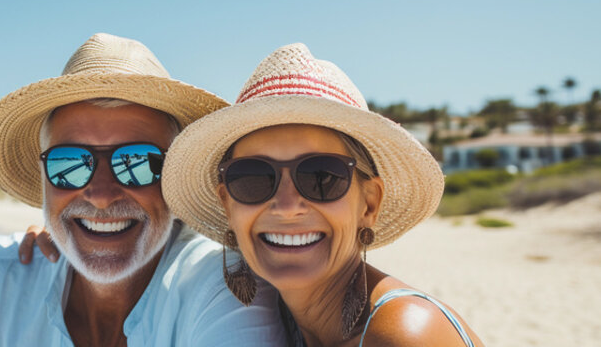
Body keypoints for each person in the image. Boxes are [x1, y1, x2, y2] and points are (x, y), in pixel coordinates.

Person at [0, 33, 286, 347]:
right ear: (44, 176)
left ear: (173, 177)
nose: (102, 194)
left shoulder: (225, 288)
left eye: (139, 162)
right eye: (70, 163)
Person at [159, 43, 484, 346]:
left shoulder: (404, 333)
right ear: (227, 204)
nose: (287, 207)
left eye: (321, 177)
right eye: (253, 178)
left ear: (369, 203)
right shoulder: (281, 320)